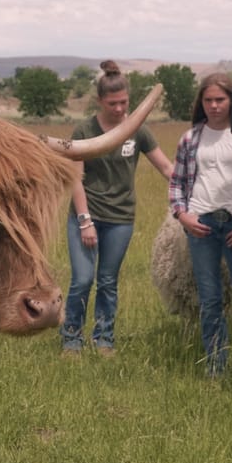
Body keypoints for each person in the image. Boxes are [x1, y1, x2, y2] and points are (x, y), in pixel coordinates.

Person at [62, 60, 174, 358]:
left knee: (108, 281)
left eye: (124, 102)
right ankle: (71, 339)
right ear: (99, 101)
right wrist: (84, 221)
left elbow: (165, 166)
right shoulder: (85, 129)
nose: (120, 109)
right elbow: (75, 178)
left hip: (120, 219)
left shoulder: (138, 130)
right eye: (113, 103)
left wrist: (194, 185)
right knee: (83, 279)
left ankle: (104, 340)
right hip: (86, 216)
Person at [167, 73, 232, 377]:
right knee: (210, 299)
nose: (214, 106)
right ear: (201, 103)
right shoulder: (191, 139)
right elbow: (177, 184)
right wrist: (183, 216)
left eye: (220, 99)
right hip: (202, 225)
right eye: (208, 100)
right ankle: (216, 366)